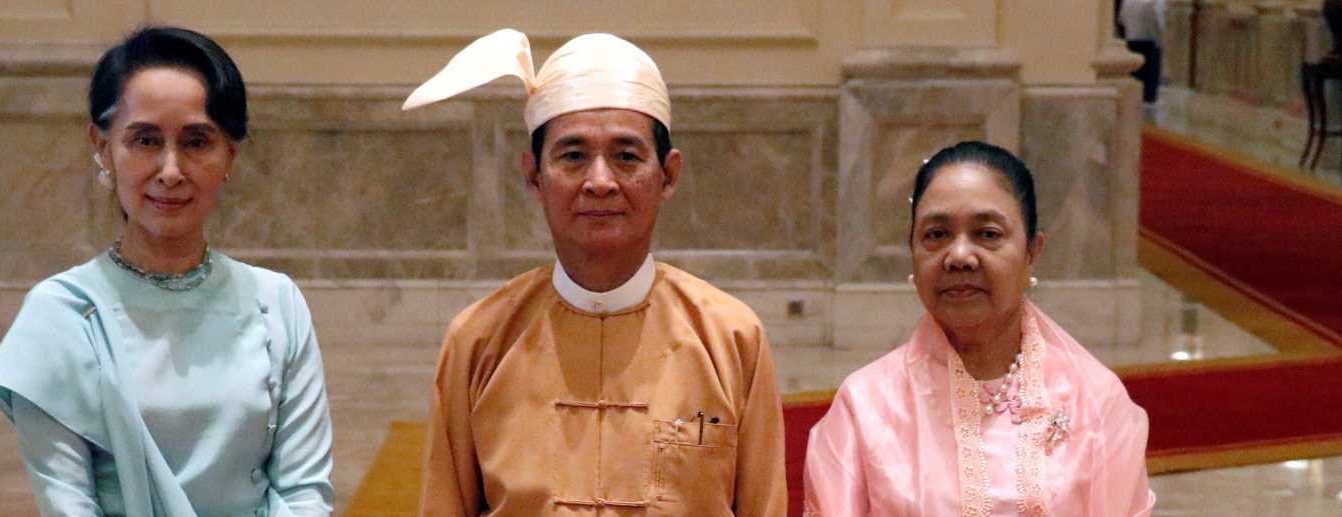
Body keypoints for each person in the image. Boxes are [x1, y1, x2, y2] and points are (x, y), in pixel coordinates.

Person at [402, 29, 787, 516]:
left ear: (668, 175)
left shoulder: (731, 337)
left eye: (626, 157)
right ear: (533, 176)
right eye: (573, 156)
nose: (600, 181)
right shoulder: (478, 340)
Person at [0, 26, 334, 516]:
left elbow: (304, 492)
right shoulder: (61, 315)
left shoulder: (276, 302)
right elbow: (68, 504)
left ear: (229, 155)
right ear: (103, 146)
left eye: (197, 141)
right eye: (145, 140)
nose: (170, 171)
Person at [802, 142, 1156, 516]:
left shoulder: (1096, 402)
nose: (959, 256)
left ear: (1032, 252)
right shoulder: (864, 407)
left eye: (987, 234)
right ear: (912, 251)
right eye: (936, 234)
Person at [1121, 0, 1166, 106]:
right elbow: (1159, 19)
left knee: (1135, 69)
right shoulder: (1155, 2)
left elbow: (1122, 19)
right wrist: (1161, 36)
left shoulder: (1127, 1)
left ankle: (1134, 96)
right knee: (1151, 70)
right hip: (1150, 38)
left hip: (1132, 37)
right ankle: (1149, 97)